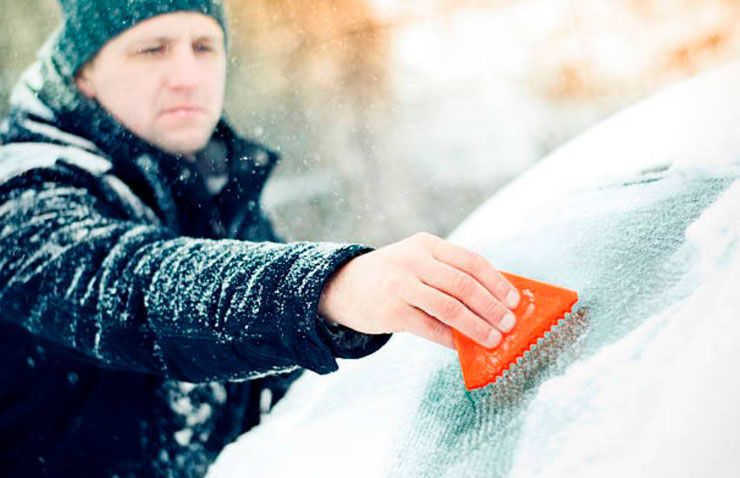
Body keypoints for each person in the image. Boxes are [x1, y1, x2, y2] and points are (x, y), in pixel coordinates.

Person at [0, 0, 521, 476]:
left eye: (204, 47)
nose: (187, 76)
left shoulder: (209, 189)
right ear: (84, 74)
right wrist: (332, 287)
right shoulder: (23, 191)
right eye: (151, 49)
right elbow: (136, 291)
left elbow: (286, 395)